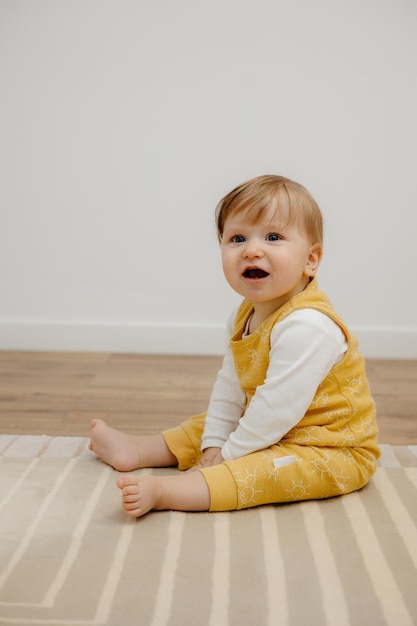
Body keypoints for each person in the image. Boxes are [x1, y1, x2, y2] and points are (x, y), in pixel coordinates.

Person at [89, 174, 380, 518]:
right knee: (214, 422)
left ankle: (171, 491)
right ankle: (139, 450)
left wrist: (223, 459)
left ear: (310, 260)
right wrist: (214, 442)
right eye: (237, 238)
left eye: (273, 237)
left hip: (329, 448)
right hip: (273, 424)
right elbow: (231, 387)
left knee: (265, 470)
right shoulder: (243, 315)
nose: (251, 250)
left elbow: (276, 411)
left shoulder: (308, 325)